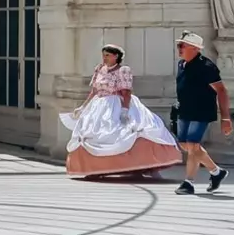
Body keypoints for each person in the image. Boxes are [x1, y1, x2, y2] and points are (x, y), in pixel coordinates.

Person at [59, 44, 180, 178]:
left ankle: (138, 168)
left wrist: (124, 110)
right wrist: (83, 106)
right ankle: (96, 169)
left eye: (108, 55)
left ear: (116, 56)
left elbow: (126, 92)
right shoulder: (99, 69)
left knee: (128, 132)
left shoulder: (123, 70)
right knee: (93, 134)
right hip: (99, 105)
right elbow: (94, 91)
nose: (104, 58)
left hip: (116, 103)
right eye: (103, 55)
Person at [174, 32, 232, 195]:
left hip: (201, 110)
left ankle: (188, 182)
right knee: (185, 145)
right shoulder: (181, 65)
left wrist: (225, 118)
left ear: (194, 48)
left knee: (192, 145)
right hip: (185, 109)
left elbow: (221, 91)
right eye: (179, 45)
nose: (179, 49)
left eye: (182, 46)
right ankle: (216, 172)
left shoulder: (207, 67)